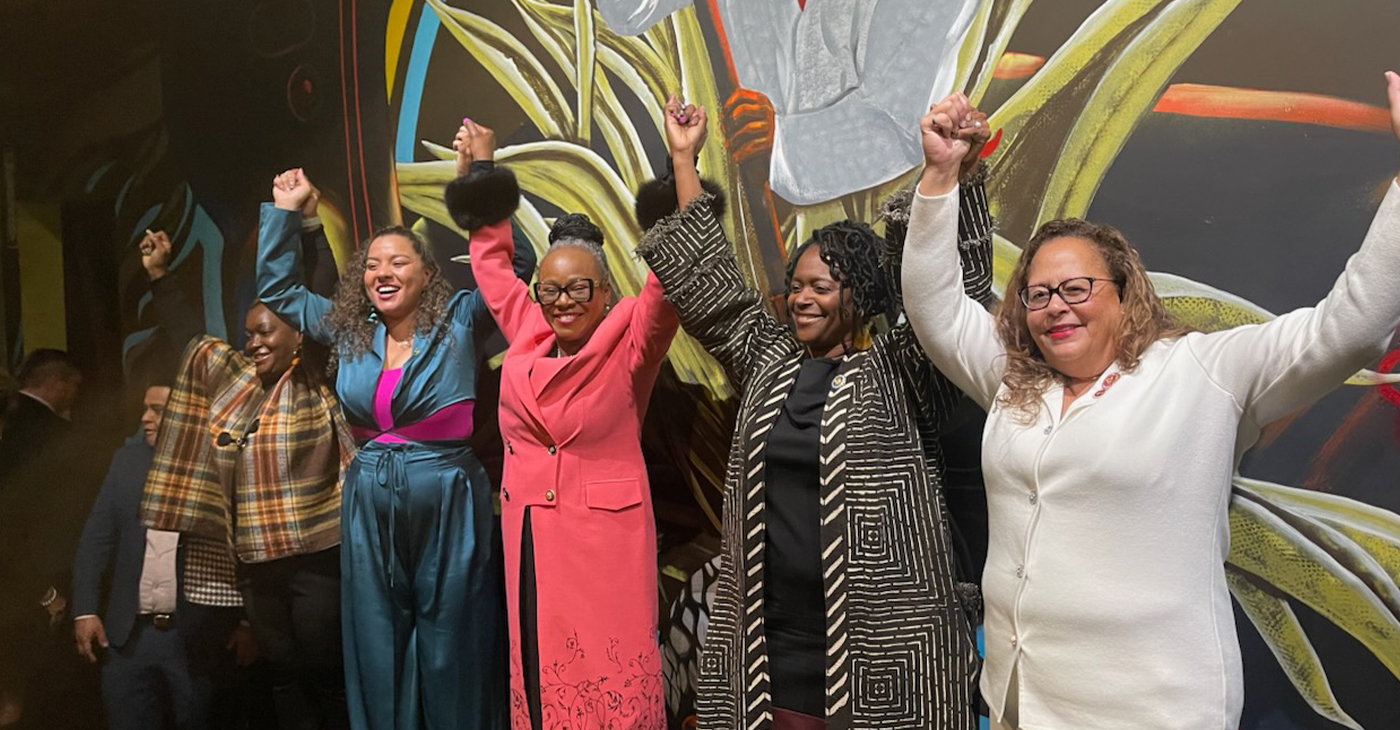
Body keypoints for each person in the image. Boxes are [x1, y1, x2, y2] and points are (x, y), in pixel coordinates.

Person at [901, 77, 1400, 730]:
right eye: (1038, 293)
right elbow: (934, 305)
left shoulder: (1206, 371)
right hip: (1023, 703)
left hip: (1154, 711)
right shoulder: (1014, 380)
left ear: (1124, 291)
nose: (1056, 305)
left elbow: (1353, 325)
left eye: (1076, 286)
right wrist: (941, 172)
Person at [635, 93, 993, 730]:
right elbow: (709, 285)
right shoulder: (771, 362)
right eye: (796, 285)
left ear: (858, 296)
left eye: (819, 287)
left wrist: (950, 174)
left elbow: (951, 291)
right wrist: (685, 160)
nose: (800, 298)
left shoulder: (898, 371)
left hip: (880, 654)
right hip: (770, 646)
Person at [258, 167, 533, 730]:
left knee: (452, 637)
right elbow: (281, 293)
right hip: (370, 501)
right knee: (379, 641)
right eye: (373, 265)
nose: (382, 272)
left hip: (448, 499)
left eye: (398, 261)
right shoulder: (348, 329)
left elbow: (516, 271)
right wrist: (287, 213)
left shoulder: (460, 319)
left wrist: (478, 183)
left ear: (428, 273)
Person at [445, 118, 679, 730]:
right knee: (545, 687)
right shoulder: (530, 332)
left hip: (605, 544)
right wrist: (481, 172)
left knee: (611, 691)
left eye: (579, 287)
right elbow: (493, 266)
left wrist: (682, 166)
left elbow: (668, 282)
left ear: (605, 290)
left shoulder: (630, 336)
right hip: (531, 539)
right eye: (550, 290)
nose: (564, 301)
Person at [141, 209, 354, 730]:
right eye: (248, 334)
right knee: (282, 673)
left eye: (265, 331)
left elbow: (321, 297)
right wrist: (160, 277)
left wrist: (309, 230)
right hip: (257, 563)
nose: (253, 341)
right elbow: (194, 341)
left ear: (298, 335)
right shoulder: (236, 383)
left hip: (316, 559)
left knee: (324, 672)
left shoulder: (314, 373)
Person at [70, 382, 257, 730]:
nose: (145, 418)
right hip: (129, 635)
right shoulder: (126, 463)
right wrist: (85, 608)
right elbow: (95, 540)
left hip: (196, 633)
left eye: (158, 409)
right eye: (145, 408)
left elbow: (249, 544)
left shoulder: (224, 466)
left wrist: (247, 621)